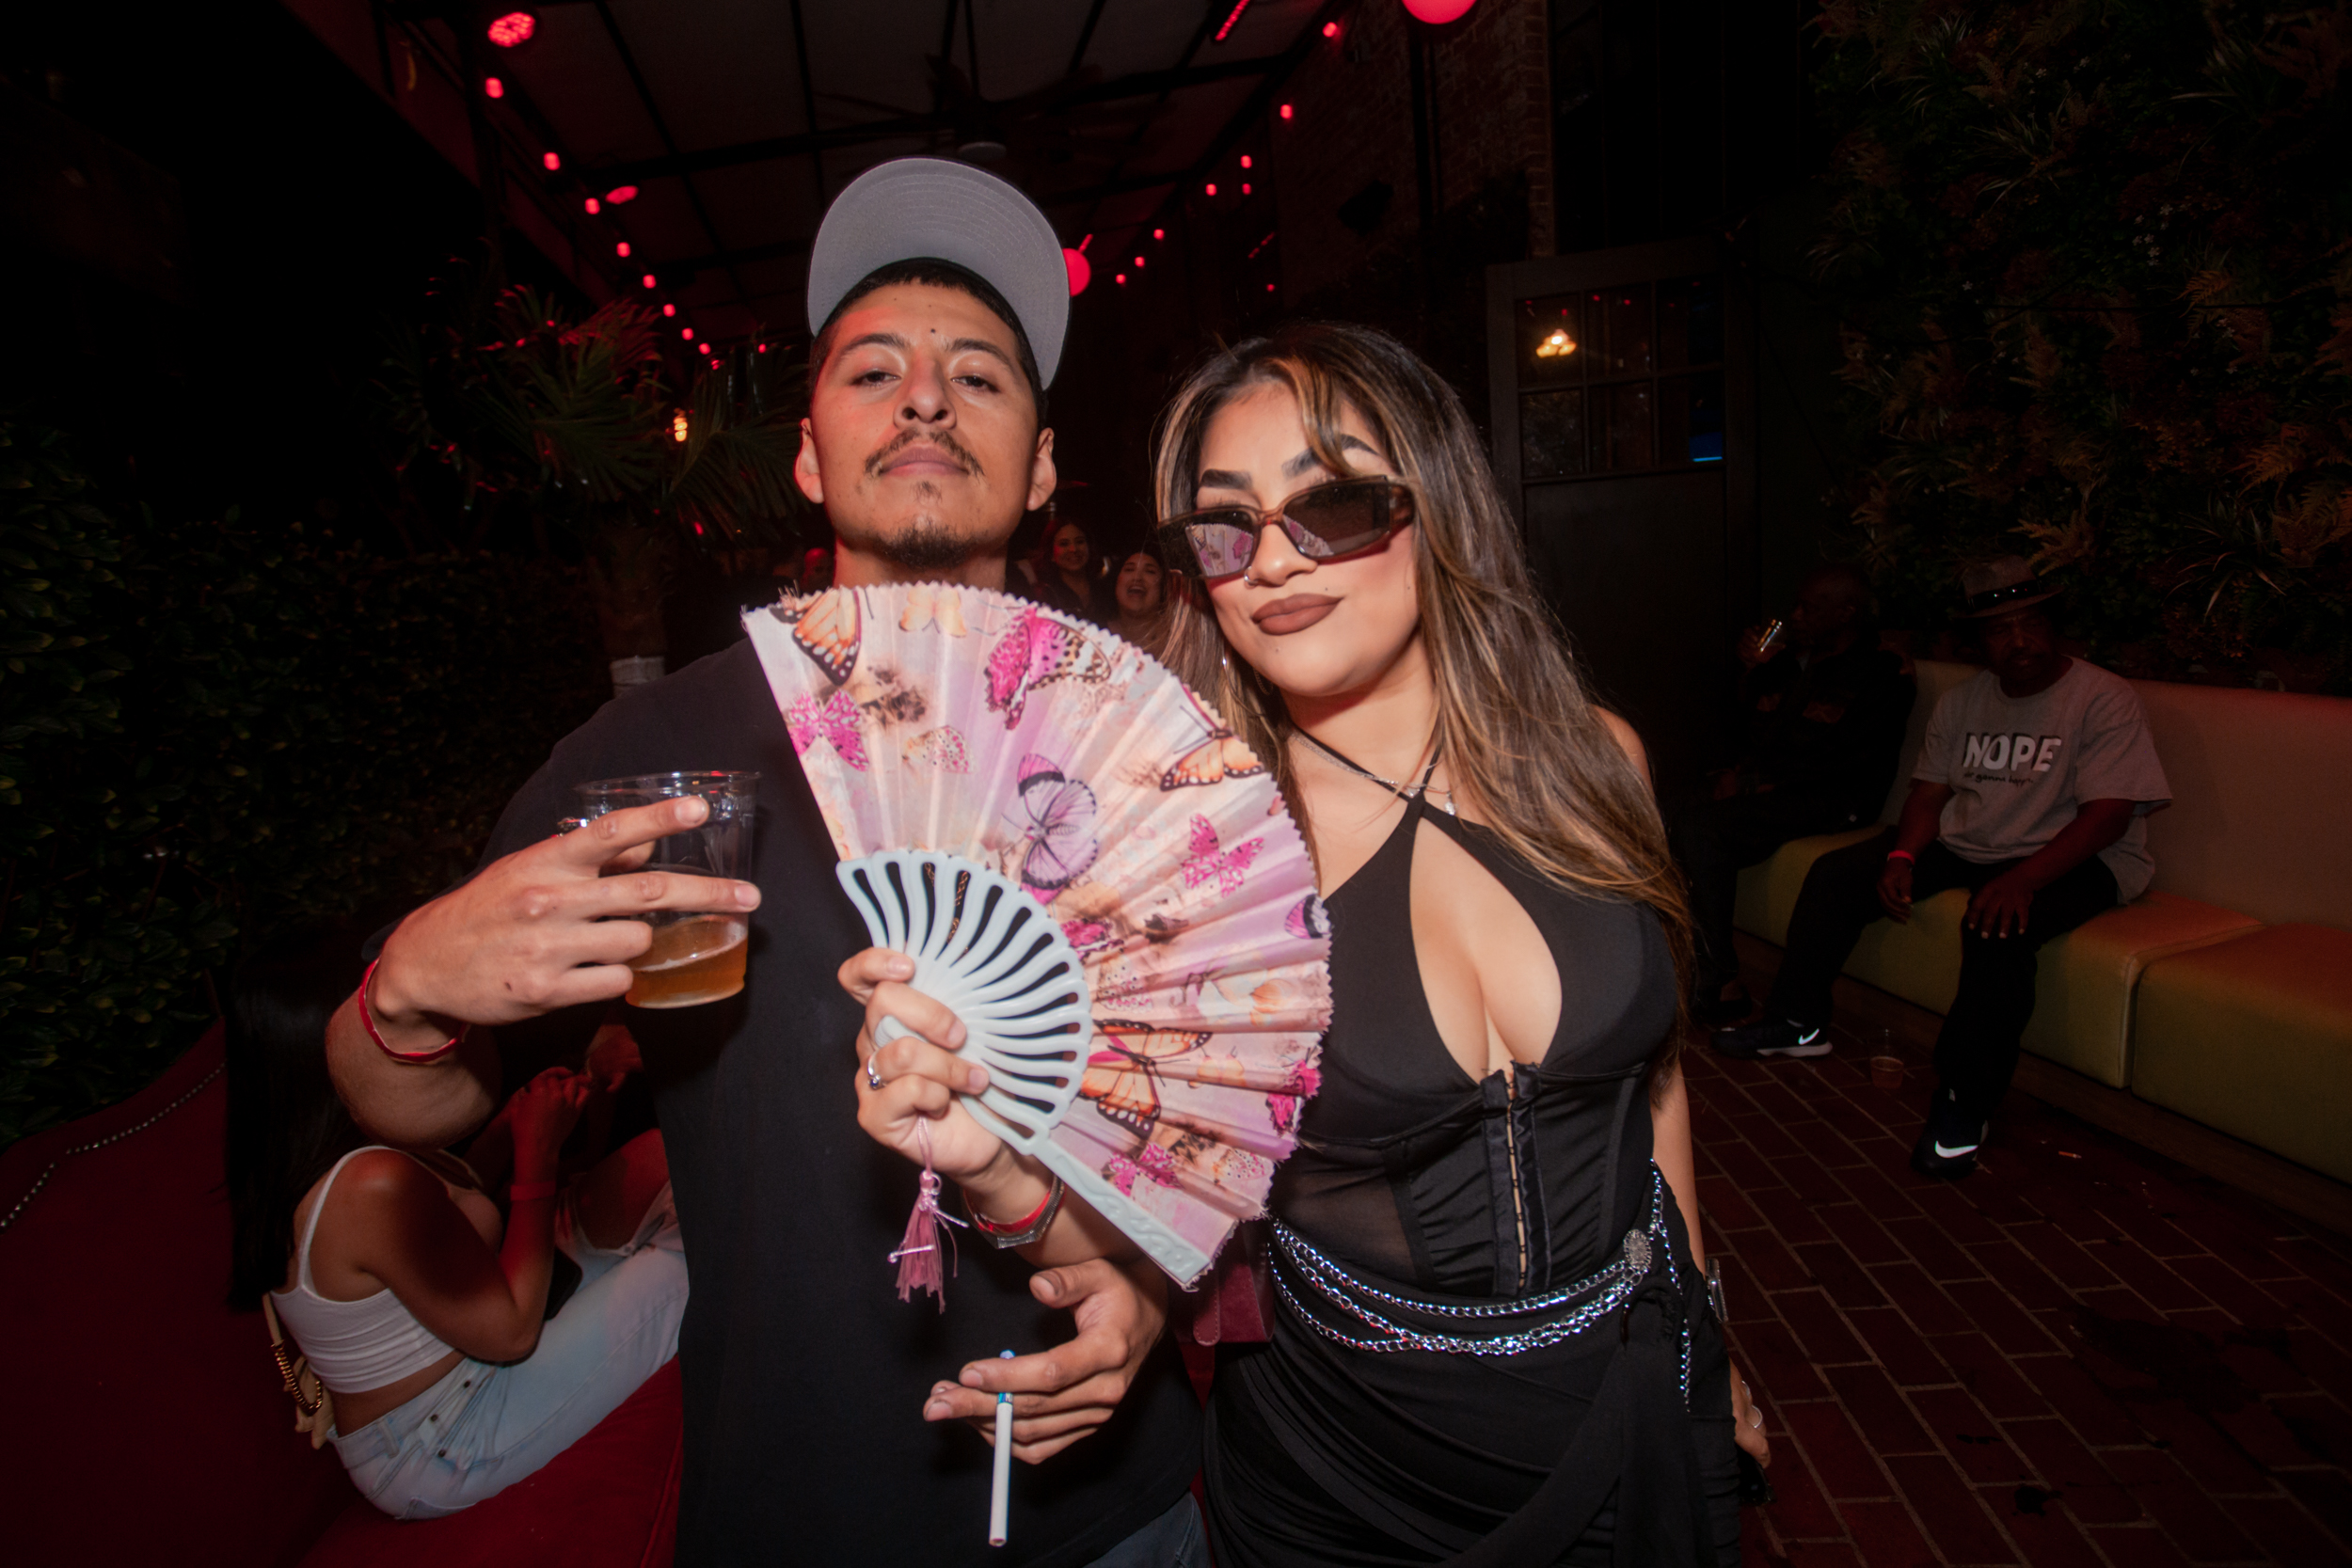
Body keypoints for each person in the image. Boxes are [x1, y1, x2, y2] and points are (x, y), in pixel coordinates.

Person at [320, 159, 1204, 1564]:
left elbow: (1214, 1119)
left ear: (1042, 465)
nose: (926, 399)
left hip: (1111, 1507)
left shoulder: (1145, 754)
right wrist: (404, 994)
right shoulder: (654, 752)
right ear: (808, 452)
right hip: (800, 1505)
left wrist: (1149, 1283)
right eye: (875, 371)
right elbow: (410, 1102)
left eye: (978, 375)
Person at [843, 323, 1768, 1566]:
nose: (1274, 558)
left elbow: (1652, 1085)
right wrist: (989, 1164)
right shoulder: (1190, 860)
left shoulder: (1599, 761)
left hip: (1636, 1420)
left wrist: (1708, 1333)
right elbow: (1144, 1223)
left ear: (1434, 507)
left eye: (1332, 504)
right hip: (1348, 1484)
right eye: (1226, 527)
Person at [1715, 558, 2170, 1179]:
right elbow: (1929, 794)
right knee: (1838, 876)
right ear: (1978, 642)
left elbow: (2109, 816)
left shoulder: (2103, 698)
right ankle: (1797, 1021)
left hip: (2076, 854)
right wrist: (1902, 856)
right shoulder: (1964, 701)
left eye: (2032, 623)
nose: (2019, 641)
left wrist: (2023, 879)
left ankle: (1964, 1103)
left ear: (2053, 626)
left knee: (1996, 926)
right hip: (1976, 840)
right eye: (2000, 630)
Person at [225, 929, 683, 1517]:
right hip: (447, 1431)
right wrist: (537, 1157)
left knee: (665, 1163)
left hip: (480, 1329)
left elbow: (443, 1215)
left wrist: (516, 1122)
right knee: (696, 1258)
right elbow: (511, 1332)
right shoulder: (365, 1185)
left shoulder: (319, 1150)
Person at [1666, 565, 1915, 1026]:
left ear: (1846, 613)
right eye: (1796, 605)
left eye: (1809, 608)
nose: (1795, 616)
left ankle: (1719, 984)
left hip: (1836, 799)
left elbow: (1846, 763)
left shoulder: (1881, 671)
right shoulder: (1787, 664)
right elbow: (1745, 731)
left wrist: (1750, 786)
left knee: (1702, 829)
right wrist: (1750, 675)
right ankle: (1671, 957)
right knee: (1666, 806)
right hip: (1772, 790)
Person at [1023, 511, 1107, 621]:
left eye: (1079, 541)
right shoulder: (1042, 595)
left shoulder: (1106, 590)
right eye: (1064, 544)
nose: (1073, 549)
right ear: (1051, 553)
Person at [1106, 546, 1167, 646]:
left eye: (1150, 571)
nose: (1137, 577)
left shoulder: (1181, 636)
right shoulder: (1093, 634)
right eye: (1129, 569)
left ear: (1163, 585)